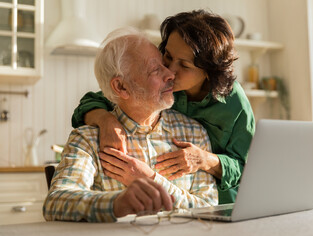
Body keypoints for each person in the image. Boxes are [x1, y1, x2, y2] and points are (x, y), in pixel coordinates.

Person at [71, 10, 255, 204]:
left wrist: (205, 160)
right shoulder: (158, 86)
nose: (170, 71)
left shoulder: (235, 103)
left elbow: (247, 169)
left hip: (223, 208)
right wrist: (106, 121)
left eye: (184, 65)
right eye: (167, 55)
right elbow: (101, 98)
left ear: (209, 73)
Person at [43, 28, 218, 222]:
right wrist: (117, 203)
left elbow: (209, 209)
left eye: (164, 64)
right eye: (155, 70)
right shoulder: (88, 140)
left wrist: (151, 180)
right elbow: (55, 202)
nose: (170, 74)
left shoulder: (194, 133)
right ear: (121, 87)